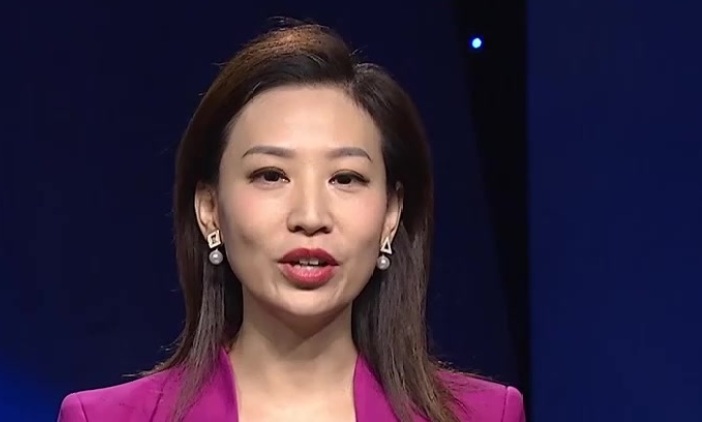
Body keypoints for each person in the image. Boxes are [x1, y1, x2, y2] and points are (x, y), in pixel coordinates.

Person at [57, 21, 525, 422]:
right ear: (209, 208)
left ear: (391, 214)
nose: (310, 217)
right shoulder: (104, 418)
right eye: (271, 175)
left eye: (345, 178)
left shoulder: (485, 414)